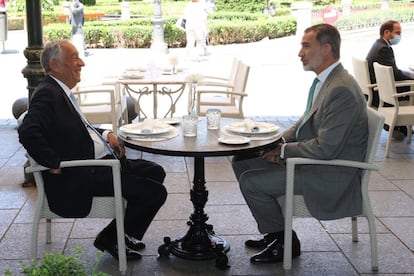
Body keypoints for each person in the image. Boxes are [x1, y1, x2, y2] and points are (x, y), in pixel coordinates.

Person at [18, 40, 167, 261]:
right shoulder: (48, 93)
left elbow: (79, 128)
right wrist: (53, 162)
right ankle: (112, 237)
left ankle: (117, 234)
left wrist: (107, 134)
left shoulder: (60, 90)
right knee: (155, 193)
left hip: (97, 163)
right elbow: (28, 131)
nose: (82, 62)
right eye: (74, 58)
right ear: (55, 65)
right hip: (81, 174)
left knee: (155, 171)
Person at [232, 24, 368, 264]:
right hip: (318, 162)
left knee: (250, 182)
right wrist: (278, 142)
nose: (300, 53)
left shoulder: (341, 89)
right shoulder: (327, 81)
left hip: (330, 173)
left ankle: (285, 244)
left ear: (326, 49)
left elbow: (326, 148)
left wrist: (283, 152)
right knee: (242, 160)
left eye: (306, 46)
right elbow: (305, 121)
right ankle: (276, 234)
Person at [366, 20, 413, 137]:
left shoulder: (378, 44)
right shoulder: (384, 49)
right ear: (387, 32)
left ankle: (400, 126)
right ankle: (401, 123)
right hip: (381, 93)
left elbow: (392, 72)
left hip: (374, 91)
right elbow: (395, 75)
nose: (399, 36)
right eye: (398, 33)